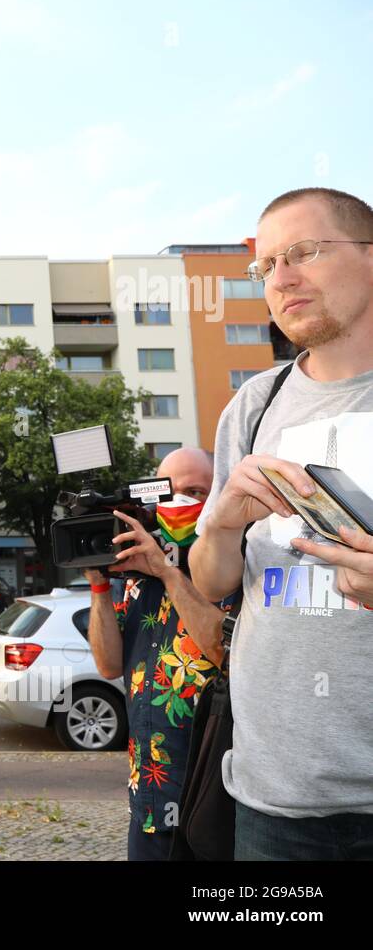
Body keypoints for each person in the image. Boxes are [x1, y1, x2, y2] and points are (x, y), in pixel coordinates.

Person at [189, 187, 373, 860]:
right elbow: (210, 585)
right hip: (271, 802)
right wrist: (220, 529)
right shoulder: (254, 403)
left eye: (304, 253)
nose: (282, 279)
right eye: (266, 266)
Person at [84, 448, 232, 860]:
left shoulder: (230, 570)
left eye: (194, 491)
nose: (178, 502)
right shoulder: (136, 579)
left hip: (211, 798)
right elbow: (110, 664)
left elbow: (227, 654)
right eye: (167, 493)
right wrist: (98, 583)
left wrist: (168, 572)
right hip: (148, 797)